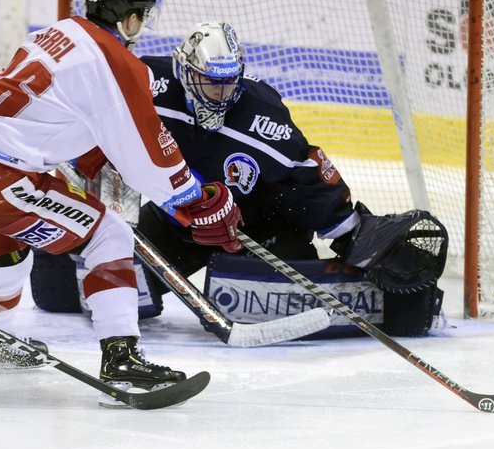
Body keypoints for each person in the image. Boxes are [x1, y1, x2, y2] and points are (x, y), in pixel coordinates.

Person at [0, 0, 243, 407]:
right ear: (128, 18)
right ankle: (122, 359)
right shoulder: (115, 61)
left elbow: (55, 113)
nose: (141, 26)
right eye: (141, 16)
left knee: (7, 262)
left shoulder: (59, 33)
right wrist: (192, 199)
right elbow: (151, 154)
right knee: (110, 235)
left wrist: (92, 151)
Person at [31, 22, 448, 337]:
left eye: (230, 82)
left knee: (245, 300)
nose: (221, 93)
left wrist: (349, 232)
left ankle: (405, 305)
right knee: (60, 293)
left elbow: (304, 175)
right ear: (183, 69)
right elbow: (91, 97)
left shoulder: (261, 117)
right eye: (210, 83)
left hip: (260, 227)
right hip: (184, 217)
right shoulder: (146, 85)